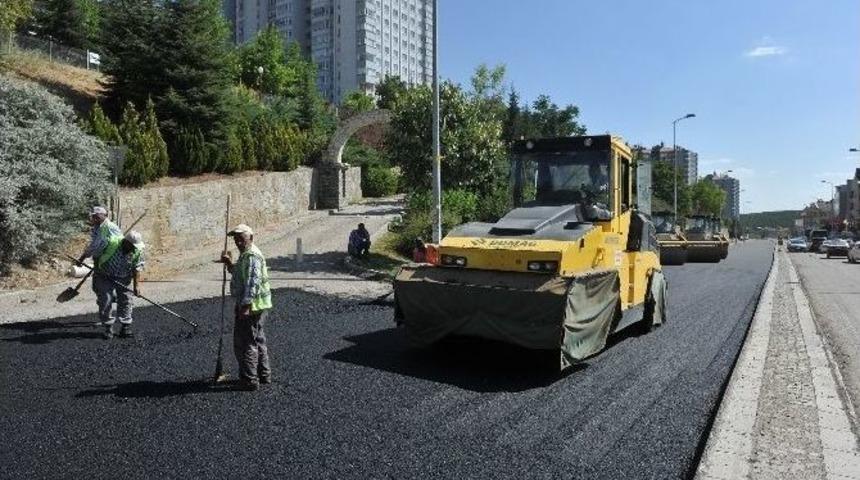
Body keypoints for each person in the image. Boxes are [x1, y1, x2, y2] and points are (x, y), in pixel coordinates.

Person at [220, 224, 272, 391]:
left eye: (241, 239)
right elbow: (241, 274)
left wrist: (246, 306)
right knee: (258, 339)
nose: (238, 242)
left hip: (252, 307)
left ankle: (249, 379)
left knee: (246, 342)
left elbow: (252, 283)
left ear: (251, 238)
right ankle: (263, 374)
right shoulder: (246, 255)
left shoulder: (251, 256)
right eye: (236, 239)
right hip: (258, 305)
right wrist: (229, 264)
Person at [93, 230, 145, 339]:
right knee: (105, 300)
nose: (134, 249)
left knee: (126, 299)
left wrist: (136, 286)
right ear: (125, 242)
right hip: (104, 276)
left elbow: (137, 268)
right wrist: (98, 269)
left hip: (124, 276)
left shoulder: (137, 250)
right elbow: (96, 254)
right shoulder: (111, 243)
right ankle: (108, 327)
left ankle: (125, 326)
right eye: (132, 246)